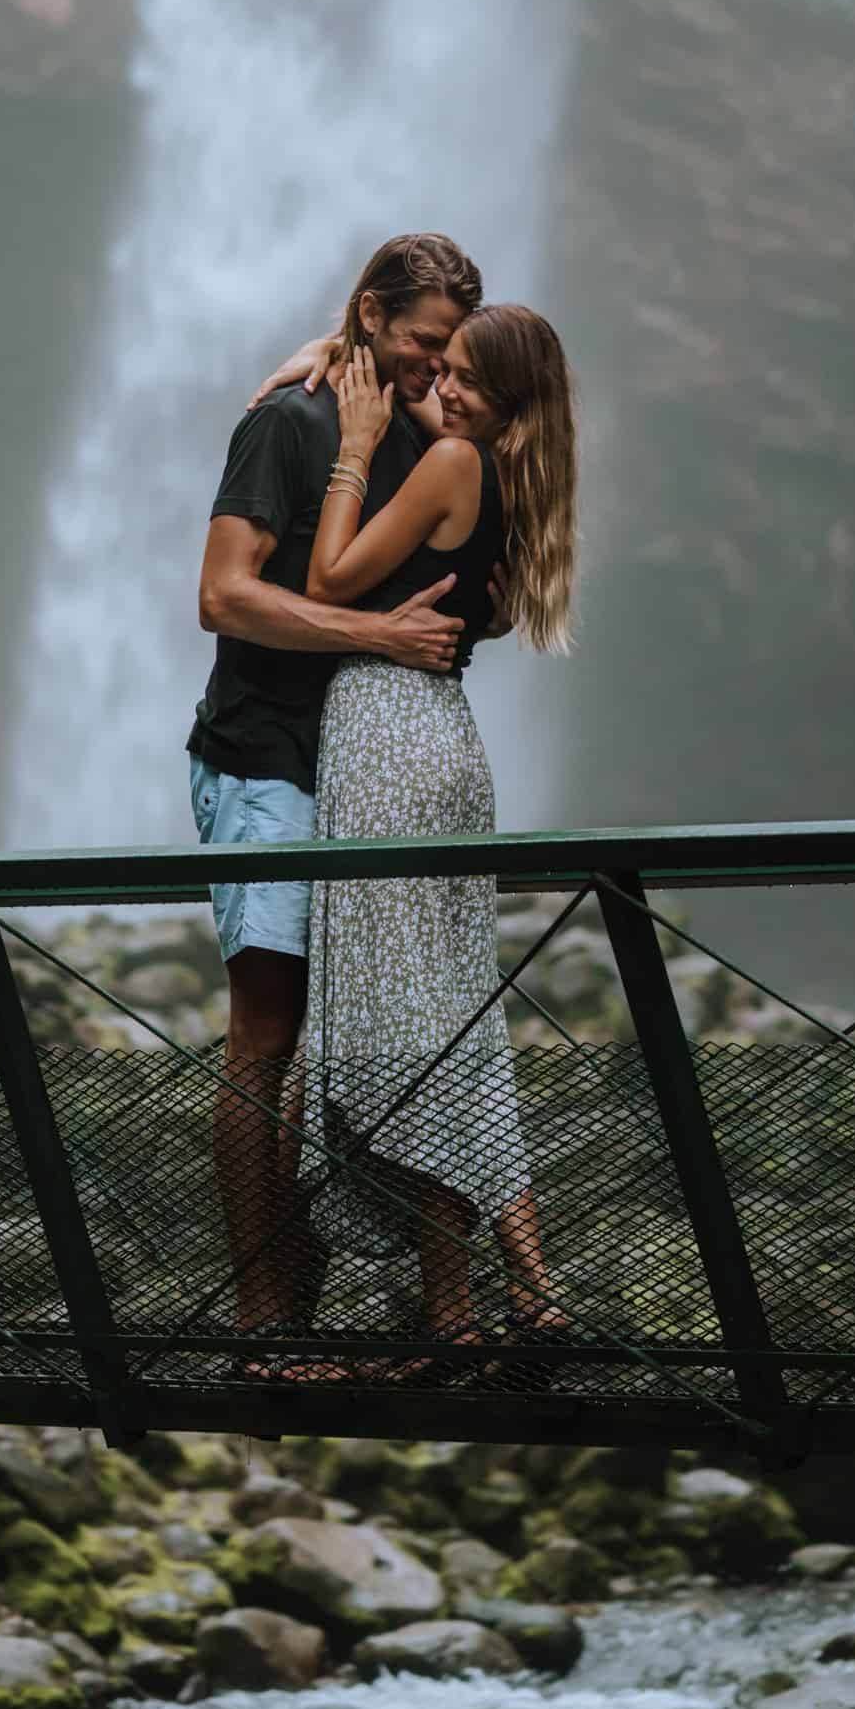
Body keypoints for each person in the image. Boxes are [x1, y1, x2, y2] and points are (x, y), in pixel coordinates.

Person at [191, 232, 485, 1357]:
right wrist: (379, 634)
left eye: (449, 350)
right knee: (267, 1030)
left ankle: (428, 1308)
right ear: (369, 314)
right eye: (419, 342)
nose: (434, 367)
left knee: (393, 1023)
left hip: (374, 770)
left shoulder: (432, 433)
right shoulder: (289, 421)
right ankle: (266, 1315)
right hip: (265, 754)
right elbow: (222, 595)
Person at [298, 302, 580, 1381]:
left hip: (383, 736)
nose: (441, 387)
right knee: (452, 1017)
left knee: (396, 1028)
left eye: (463, 376)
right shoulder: (520, 471)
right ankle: (528, 1291)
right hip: (450, 746)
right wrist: (332, 348)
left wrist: (359, 449)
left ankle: (458, 1313)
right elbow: (495, 616)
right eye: (438, 367)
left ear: (499, 398)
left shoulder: (450, 460)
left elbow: (329, 580)